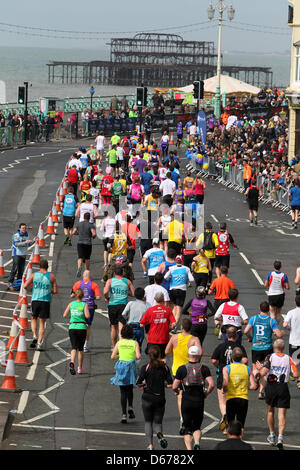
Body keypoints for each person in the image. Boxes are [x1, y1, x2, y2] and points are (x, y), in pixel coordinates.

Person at [255, 339, 299, 449]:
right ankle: (280, 437)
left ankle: (272, 434)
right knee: (282, 413)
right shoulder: (288, 359)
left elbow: (264, 372)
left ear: (274, 347)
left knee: (270, 411)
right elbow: (296, 374)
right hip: (283, 387)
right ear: (283, 348)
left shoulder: (270, 357)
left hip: (271, 387)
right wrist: (289, 373)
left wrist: (260, 369)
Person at [172, 346, 215, 450]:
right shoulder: (204, 368)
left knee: (187, 428)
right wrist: (206, 393)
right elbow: (212, 384)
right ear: (199, 355)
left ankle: (189, 449)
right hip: (199, 401)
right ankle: (196, 442)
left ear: (188, 355)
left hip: (186, 401)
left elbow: (174, 386)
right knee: (197, 426)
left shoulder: (182, 369)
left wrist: (177, 392)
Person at [165, 318, 202, 436]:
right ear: (190, 328)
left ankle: (182, 418)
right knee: (192, 393)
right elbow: (199, 352)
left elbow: (166, 351)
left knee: (180, 395)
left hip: (177, 370)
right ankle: (191, 419)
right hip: (191, 369)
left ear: (181, 327)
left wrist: (175, 350)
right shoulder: (194, 339)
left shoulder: (175, 337)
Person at [244, 301, 284, 400]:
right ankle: (261, 392)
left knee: (255, 367)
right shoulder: (271, 321)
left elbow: (245, 331)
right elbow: (278, 335)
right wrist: (282, 332)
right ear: (268, 310)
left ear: (259, 309)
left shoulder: (253, 319)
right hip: (267, 348)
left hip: (256, 347)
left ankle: (256, 375)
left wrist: (250, 337)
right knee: (266, 370)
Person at [211, 326, 248, 433]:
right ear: (236, 335)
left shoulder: (221, 346)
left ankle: (224, 415)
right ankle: (233, 424)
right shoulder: (239, 347)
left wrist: (220, 367)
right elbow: (245, 360)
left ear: (226, 335)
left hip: (223, 375)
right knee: (232, 398)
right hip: (236, 375)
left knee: (222, 400)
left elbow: (213, 360)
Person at [136, 345, 173, 450]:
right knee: (158, 422)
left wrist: (144, 384)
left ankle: (150, 445)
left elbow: (138, 383)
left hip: (147, 398)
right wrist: (164, 384)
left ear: (149, 355)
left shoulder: (146, 367)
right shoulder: (165, 368)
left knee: (148, 421)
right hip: (160, 398)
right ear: (160, 355)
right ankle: (160, 436)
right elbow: (170, 383)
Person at [24, 258, 58, 351]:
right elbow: (55, 291)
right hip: (45, 301)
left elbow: (25, 286)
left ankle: (34, 335)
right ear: (47, 267)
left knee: (33, 318)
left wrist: (32, 290)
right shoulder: (51, 277)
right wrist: (48, 290)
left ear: (39, 266)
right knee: (42, 323)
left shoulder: (34, 275)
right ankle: (39, 343)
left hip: (35, 300)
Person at [222, 347, 258, 432]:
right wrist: (247, 387)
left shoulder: (227, 368)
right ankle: (240, 440)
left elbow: (225, 383)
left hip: (231, 398)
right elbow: (254, 386)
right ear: (242, 357)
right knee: (241, 423)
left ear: (231, 357)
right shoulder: (247, 368)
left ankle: (231, 441)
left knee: (230, 423)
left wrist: (224, 389)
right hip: (243, 399)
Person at [110, 324, 141, 424]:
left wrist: (120, 355)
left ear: (122, 333)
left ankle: (124, 415)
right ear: (131, 334)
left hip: (121, 366)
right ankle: (130, 406)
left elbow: (112, 356)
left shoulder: (119, 343)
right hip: (131, 366)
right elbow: (138, 356)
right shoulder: (134, 343)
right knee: (130, 388)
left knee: (123, 391)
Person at [104, 266, 135, 348]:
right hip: (123, 305)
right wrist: (125, 293)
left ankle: (114, 347)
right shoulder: (127, 281)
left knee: (113, 326)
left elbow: (105, 292)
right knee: (121, 326)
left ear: (114, 274)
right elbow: (133, 293)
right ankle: (121, 346)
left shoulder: (110, 281)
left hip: (112, 305)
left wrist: (107, 297)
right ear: (123, 273)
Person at [71, 270, 101, 353]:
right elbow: (98, 297)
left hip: (79, 306)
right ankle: (85, 345)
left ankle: (76, 343)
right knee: (88, 326)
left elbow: (72, 295)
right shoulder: (94, 284)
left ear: (83, 276)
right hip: (90, 307)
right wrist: (92, 297)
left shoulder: (77, 284)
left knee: (78, 323)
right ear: (90, 276)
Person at [140, 292, 176, 359]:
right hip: (164, 339)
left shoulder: (150, 310)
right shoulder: (168, 310)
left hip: (152, 339)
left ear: (154, 299)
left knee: (153, 358)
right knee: (163, 358)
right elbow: (174, 324)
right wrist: (169, 328)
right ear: (163, 299)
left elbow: (141, 324)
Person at [63, 288, 90, 375]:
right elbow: (87, 316)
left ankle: (72, 362)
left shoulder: (71, 304)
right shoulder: (84, 304)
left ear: (75, 296)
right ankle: (80, 368)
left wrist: (72, 316)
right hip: (81, 327)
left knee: (74, 347)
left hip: (72, 327)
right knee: (81, 349)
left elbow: (64, 315)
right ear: (83, 296)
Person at [164, 254, 194, 326]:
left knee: (174, 307)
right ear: (182, 261)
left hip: (172, 290)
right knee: (179, 309)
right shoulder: (186, 269)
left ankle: (172, 323)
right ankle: (174, 326)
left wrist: (170, 279)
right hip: (182, 290)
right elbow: (192, 279)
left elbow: (165, 277)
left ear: (176, 261)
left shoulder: (172, 268)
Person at [8, 223, 36, 291]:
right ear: (19, 228)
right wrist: (25, 242)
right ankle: (10, 282)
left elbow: (28, 244)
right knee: (15, 268)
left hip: (23, 254)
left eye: (25, 228)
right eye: (23, 228)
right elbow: (16, 244)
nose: (24, 229)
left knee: (21, 270)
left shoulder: (27, 235)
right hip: (16, 254)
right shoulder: (16, 235)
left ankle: (18, 282)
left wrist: (33, 241)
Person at [72, 212, 96, 277]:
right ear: (89, 218)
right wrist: (93, 236)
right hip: (88, 243)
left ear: (83, 217)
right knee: (87, 258)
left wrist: (78, 234)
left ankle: (79, 268)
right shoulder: (91, 225)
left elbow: (73, 232)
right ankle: (86, 271)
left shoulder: (79, 224)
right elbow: (94, 233)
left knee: (80, 257)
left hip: (80, 243)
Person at [283, 296, 300, 389]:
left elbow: (285, 324)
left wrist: (290, 328)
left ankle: (292, 374)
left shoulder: (291, 312)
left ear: (295, 303)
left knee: (294, 361)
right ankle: (298, 380)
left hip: (294, 340)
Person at [196, 221, 219, 286]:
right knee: (210, 268)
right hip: (212, 255)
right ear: (211, 228)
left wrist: (200, 250)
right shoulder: (214, 235)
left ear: (205, 228)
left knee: (204, 268)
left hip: (204, 255)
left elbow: (197, 245)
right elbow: (217, 244)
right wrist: (213, 247)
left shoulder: (202, 234)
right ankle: (209, 282)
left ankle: (204, 281)